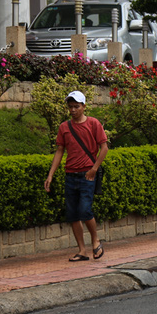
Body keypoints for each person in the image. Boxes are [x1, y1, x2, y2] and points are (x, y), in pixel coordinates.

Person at [44, 91, 108, 262]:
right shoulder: (64, 127)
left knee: (85, 210)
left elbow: (104, 148)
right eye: (70, 107)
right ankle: (82, 250)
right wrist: (50, 175)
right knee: (72, 214)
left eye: (76, 106)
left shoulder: (93, 124)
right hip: (70, 175)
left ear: (84, 106)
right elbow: (59, 151)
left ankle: (95, 240)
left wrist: (94, 169)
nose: (73, 110)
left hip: (87, 174)